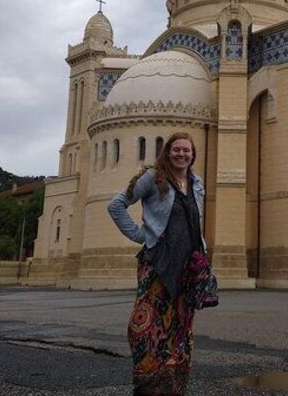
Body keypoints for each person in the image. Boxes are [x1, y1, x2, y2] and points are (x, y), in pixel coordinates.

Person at [107, 132, 206, 396]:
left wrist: (202, 254)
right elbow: (116, 205)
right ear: (167, 152)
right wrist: (141, 235)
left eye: (187, 150)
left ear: (192, 154)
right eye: (176, 149)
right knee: (147, 325)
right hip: (158, 263)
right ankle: (149, 385)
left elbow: (195, 221)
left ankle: (173, 387)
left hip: (188, 266)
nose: (181, 154)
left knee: (181, 327)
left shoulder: (196, 183)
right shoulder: (153, 177)